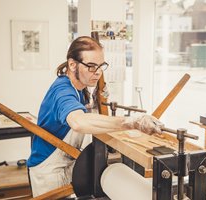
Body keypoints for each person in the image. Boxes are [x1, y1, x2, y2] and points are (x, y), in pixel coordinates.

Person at [27, 36, 164, 197]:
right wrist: (131, 122)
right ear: (72, 65)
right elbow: (78, 122)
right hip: (49, 170)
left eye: (101, 66)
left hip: (67, 164)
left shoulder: (79, 88)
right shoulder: (62, 91)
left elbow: (86, 115)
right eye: (91, 66)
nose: (98, 72)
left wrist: (96, 103)